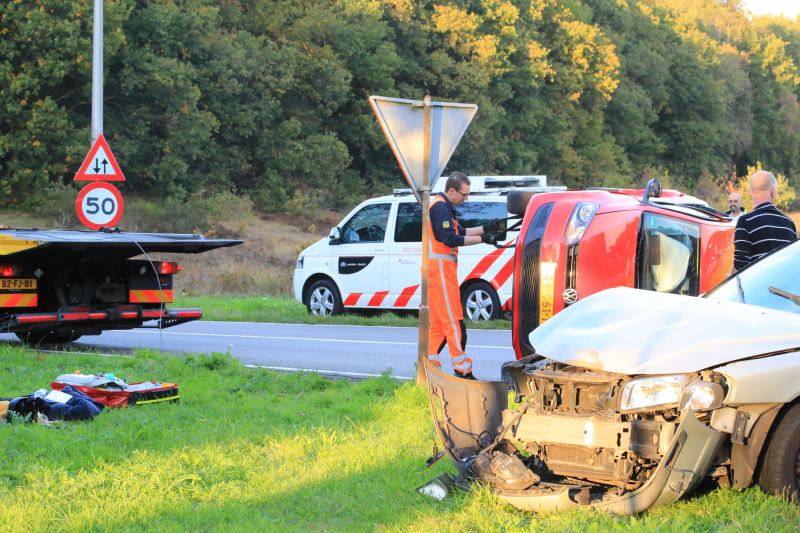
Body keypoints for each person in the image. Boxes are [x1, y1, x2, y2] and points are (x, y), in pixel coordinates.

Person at [426, 172, 502, 380]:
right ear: (451, 190)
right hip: (441, 270)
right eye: (463, 194)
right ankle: (463, 371)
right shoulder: (440, 206)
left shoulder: (444, 206)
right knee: (453, 320)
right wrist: (483, 239)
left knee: (440, 323)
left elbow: (460, 230)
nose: (465, 199)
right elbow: (450, 238)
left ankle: (428, 371)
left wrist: (486, 229)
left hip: (439, 270)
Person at [731, 171, 797, 275]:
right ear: (773, 191)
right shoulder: (789, 223)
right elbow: (794, 264)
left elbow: (741, 264)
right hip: (783, 289)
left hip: (758, 288)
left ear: (750, 192)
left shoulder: (745, 221)